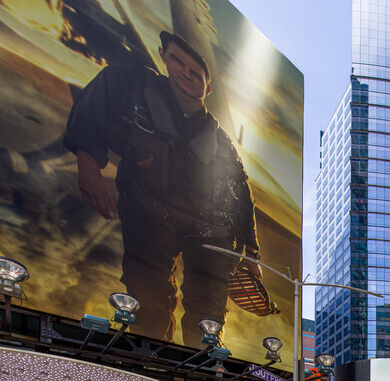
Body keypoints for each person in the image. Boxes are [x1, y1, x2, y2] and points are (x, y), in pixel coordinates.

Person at [64, 31, 261, 347]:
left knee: (207, 323)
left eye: (195, 72)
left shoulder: (221, 140)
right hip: (150, 215)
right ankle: (152, 374)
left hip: (210, 235)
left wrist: (252, 252)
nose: (186, 74)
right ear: (163, 57)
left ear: (208, 87)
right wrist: (88, 162)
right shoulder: (133, 87)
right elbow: (97, 100)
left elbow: (242, 193)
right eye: (177, 61)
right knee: (149, 309)